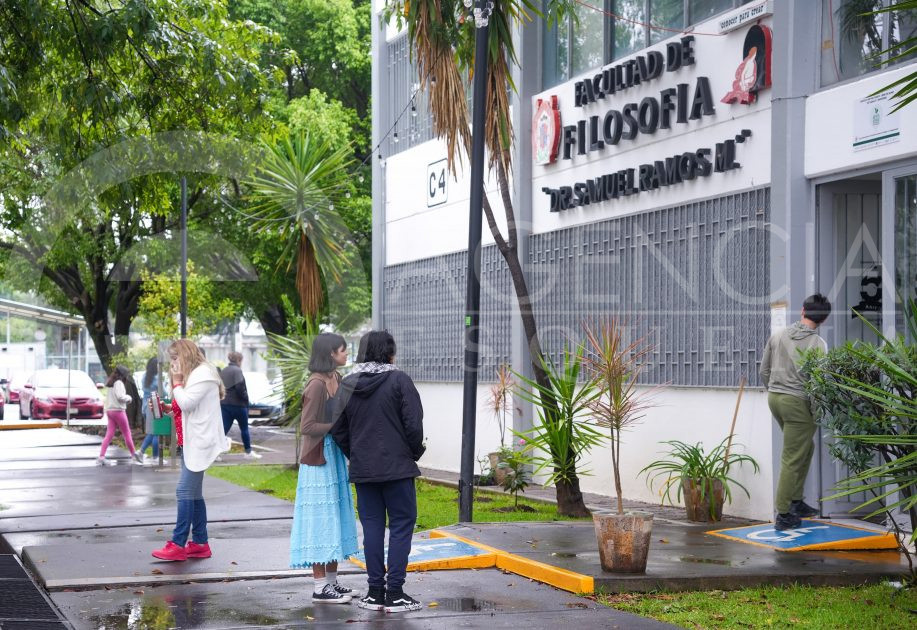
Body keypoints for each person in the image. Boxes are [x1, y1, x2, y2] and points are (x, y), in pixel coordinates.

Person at [331, 331, 425, 613]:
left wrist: (356, 453)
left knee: (371, 528)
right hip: (397, 469)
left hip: (364, 470)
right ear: (389, 353)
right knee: (400, 526)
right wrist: (412, 452)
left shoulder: (347, 384)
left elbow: (337, 429)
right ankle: (395, 593)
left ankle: (374, 593)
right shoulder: (400, 380)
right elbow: (414, 424)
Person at [289, 333, 359, 604]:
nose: (346, 353)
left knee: (335, 517)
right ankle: (320, 587)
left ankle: (332, 582)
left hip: (334, 458)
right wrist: (336, 427)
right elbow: (307, 427)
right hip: (318, 461)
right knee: (320, 520)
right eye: (343, 350)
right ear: (331, 353)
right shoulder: (316, 385)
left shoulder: (337, 379)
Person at [152, 339, 229, 561]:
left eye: (175, 358)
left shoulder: (203, 374)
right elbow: (186, 406)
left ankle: (178, 544)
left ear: (185, 355)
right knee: (193, 494)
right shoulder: (197, 375)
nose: (173, 363)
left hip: (200, 441)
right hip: (192, 440)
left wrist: (176, 383)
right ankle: (200, 542)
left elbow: (187, 403)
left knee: (184, 491)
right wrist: (167, 408)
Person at [760, 293, 831, 531]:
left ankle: (797, 501)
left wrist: (775, 389)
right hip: (797, 403)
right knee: (792, 457)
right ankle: (783, 513)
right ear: (824, 320)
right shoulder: (818, 344)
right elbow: (819, 382)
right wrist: (816, 410)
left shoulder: (778, 335)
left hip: (775, 398)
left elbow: (764, 370)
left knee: (805, 448)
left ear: (802, 311)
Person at [97, 366, 143, 466]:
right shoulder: (119, 383)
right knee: (127, 433)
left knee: (109, 435)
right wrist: (129, 398)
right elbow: (120, 397)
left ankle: (101, 457)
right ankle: (133, 456)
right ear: (123, 375)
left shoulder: (111, 382)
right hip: (118, 411)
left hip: (110, 411)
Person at [219, 352, 260, 459]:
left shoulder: (224, 371)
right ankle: (248, 452)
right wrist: (246, 399)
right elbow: (240, 387)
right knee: (244, 429)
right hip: (238, 405)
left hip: (225, 404)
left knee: (223, 429)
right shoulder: (237, 371)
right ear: (239, 360)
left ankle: (215, 453)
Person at [138, 357, 160, 463]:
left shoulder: (144, 377)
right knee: (156, 432)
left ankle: (142, 452)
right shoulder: (157, 378)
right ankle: (151, 455)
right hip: (155, 405)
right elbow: (163, 392)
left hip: (146, 405)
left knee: (152, 431)